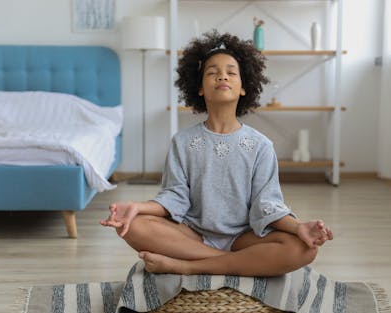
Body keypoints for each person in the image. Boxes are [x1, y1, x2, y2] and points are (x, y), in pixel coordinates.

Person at [100, 31, 333, 277]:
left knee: (303, 249)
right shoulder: (182, 142)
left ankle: (187, 266)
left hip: (244, 237)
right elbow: (174, 197)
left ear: (244, 87)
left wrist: (299, 228)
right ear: (199, 88)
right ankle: (240, 263)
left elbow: (267, 205)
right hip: (192, 235)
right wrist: (137, 206)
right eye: (212, 72)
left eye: (231, 72)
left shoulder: (261, 146)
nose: (222, 75)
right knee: (133, 226)